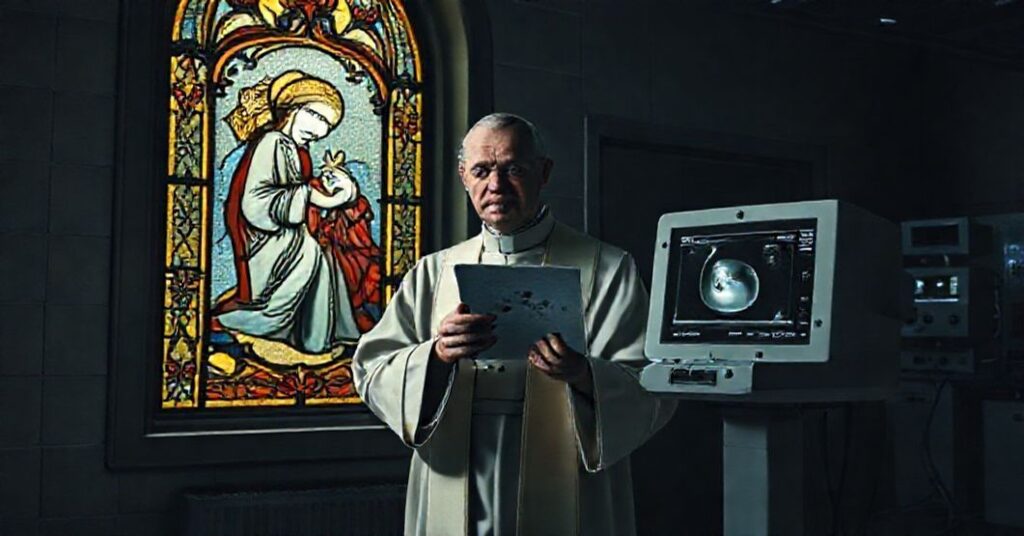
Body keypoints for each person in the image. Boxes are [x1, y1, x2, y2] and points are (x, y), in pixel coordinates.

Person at [353, 113, 677, 536]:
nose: (497, 186)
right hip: (459, 465)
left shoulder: (608, 268)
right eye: (482, 171)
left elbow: (649, 386)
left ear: (543, 173)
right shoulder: (433, 272)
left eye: (514, 170)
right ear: (462, 177)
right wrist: (435, 356)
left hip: (564, 468)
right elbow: (372, 368)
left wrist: (583, 374)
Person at [214, 70, 366, 354]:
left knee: (322, 255)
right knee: (311, 254)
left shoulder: (297, 150)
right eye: (317, 117)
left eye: (328, 126)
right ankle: (270, 325)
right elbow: (255, 201)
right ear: (293, 107)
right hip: (263, 239)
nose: (321, 130)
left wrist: (338, 192)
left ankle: (318, 336)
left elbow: (301, 194)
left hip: (286, 232)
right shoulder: (271, 142)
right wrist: (315, 196)